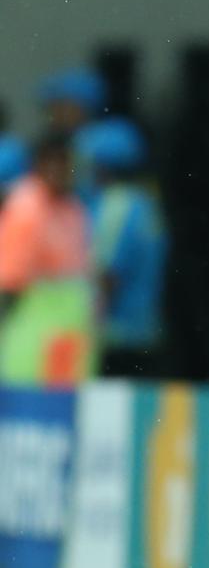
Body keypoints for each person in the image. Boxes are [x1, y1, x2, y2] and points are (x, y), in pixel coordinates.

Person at [76, 117, 169, 377]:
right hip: (144, 328)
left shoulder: (115, 205)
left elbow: (107, 273)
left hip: (115, 333)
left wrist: (84, 325)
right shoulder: (147, 202)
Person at [0, 132, 94, 386]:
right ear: (37, 165)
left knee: (64, 404)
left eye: (64, 163)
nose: (59, 170)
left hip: (69, 334)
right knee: (29, 408)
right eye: (51, 162)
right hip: (33, 338)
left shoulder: (74, 209)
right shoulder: (26, 207)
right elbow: (9, 281)